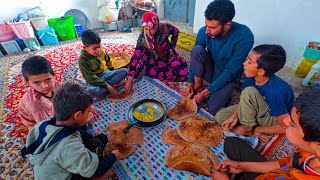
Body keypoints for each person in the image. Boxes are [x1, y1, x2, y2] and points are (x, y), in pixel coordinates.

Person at [21, 82, 126, 179]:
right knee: (98, 169)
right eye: (88, 111)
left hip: (57, 162)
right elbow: (96, 169)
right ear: (77, 115)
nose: (90, 113)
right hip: (63, 176)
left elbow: (78, 133)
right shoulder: (68, 146)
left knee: (100, 139)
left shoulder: (47, 123)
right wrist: (114, 156)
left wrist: (98, 138)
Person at [212, 87, 320, 180]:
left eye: (293, 123)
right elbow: (283, 164)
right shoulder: (307, 152)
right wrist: (242, 166)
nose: (286, 121)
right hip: (272, 174)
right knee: (232, 143)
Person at [182, 0, 254, 115]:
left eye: (212, 27)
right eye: (206, 25)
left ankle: (220, 93)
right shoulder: (204, 32)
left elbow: (230, 72)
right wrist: (190, 81)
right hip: (211, 69)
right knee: (197, 50)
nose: (207, 31)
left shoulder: (244, 37)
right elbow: (195, 56)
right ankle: (198, 85)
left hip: (229, 76)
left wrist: (205, 93)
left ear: (227, 26)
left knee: (210, 111)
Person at [215, 44, 294, 136]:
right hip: (257, 108)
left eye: (249, 62)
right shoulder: (251, 76)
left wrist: (259, 129)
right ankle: (248, 125)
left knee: (249, 92)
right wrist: (234, 116)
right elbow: (245, 100)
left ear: (260, 71)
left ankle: (248, 128)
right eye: (247, 59)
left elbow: (285, 126)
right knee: (220, 117)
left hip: (270, 117)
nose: (244, 63)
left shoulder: (276, 92)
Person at [124, 11, 188, 94]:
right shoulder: (142, 37)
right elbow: (136, 55)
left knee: (182, 66)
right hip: (151, 59)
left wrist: (172, 47)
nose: (148, 32)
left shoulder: (164, 27)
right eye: (146, 29)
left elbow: (175, 31)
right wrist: (130, 78)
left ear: (156, 25)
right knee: (144, 67)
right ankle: (163, 72)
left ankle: (162, 72)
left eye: (151, 29)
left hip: (166, 56)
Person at [79, 29, 128, 98]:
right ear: (85, 48)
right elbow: (90, 78)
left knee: (124, 71)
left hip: (106, 74)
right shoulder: (82, 59)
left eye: (99, 47)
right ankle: (113, 86)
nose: (98, 50)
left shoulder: (102, 52)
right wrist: (107, 86)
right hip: (94, 80)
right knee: (91, 91)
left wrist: (112, 72)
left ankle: (109, 86)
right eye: (94, 48)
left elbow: (109, 63)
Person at [18, 55, 60, 130]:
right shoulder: (36, 106)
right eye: (37, 83)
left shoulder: (57, 85)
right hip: (41, 124)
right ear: (27, 82)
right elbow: (48, 127)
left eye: (48, 79)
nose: (45, 86)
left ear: (54, 75)